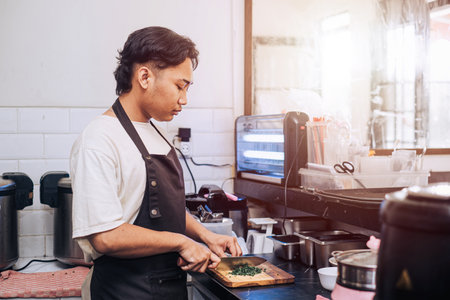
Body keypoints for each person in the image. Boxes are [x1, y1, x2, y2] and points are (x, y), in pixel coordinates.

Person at [70, 26, 242, 299]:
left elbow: (165, 211)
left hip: (166, 288)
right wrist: (181, 242)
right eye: (179, 86)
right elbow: (106, 236)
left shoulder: (154, 132)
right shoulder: (99, 139)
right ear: (145, 76)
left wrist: (204, 234)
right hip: (125, 290)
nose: (184, 99)